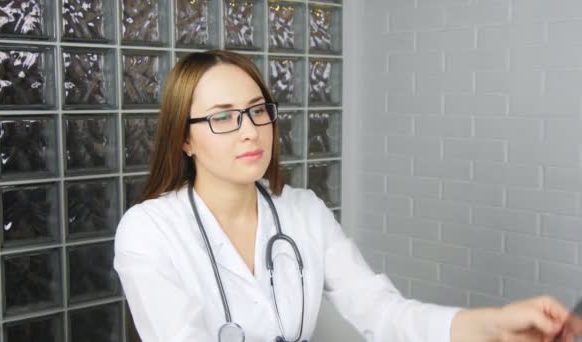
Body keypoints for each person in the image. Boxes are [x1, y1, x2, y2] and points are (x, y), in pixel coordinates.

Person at [113, 49, 581, 342]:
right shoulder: (149, 231)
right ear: (185, 139)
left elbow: (381, 312)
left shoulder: (303, 213)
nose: (250, 131)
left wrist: (494, 325)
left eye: (258, 111)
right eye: (223, 117)